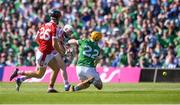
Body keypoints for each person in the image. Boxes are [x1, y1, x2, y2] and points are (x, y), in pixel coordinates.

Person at [10, 9, 72, 93]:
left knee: (56, 68)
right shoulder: (53, 27)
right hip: (44, 54)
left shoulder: (43, 25)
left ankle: (50, 87)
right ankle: (19, 73)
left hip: (44, 52)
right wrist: (61, 52)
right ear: (57, 18)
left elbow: (36, 39)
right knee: (39, 74)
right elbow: (54, 44)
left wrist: (44, 45)